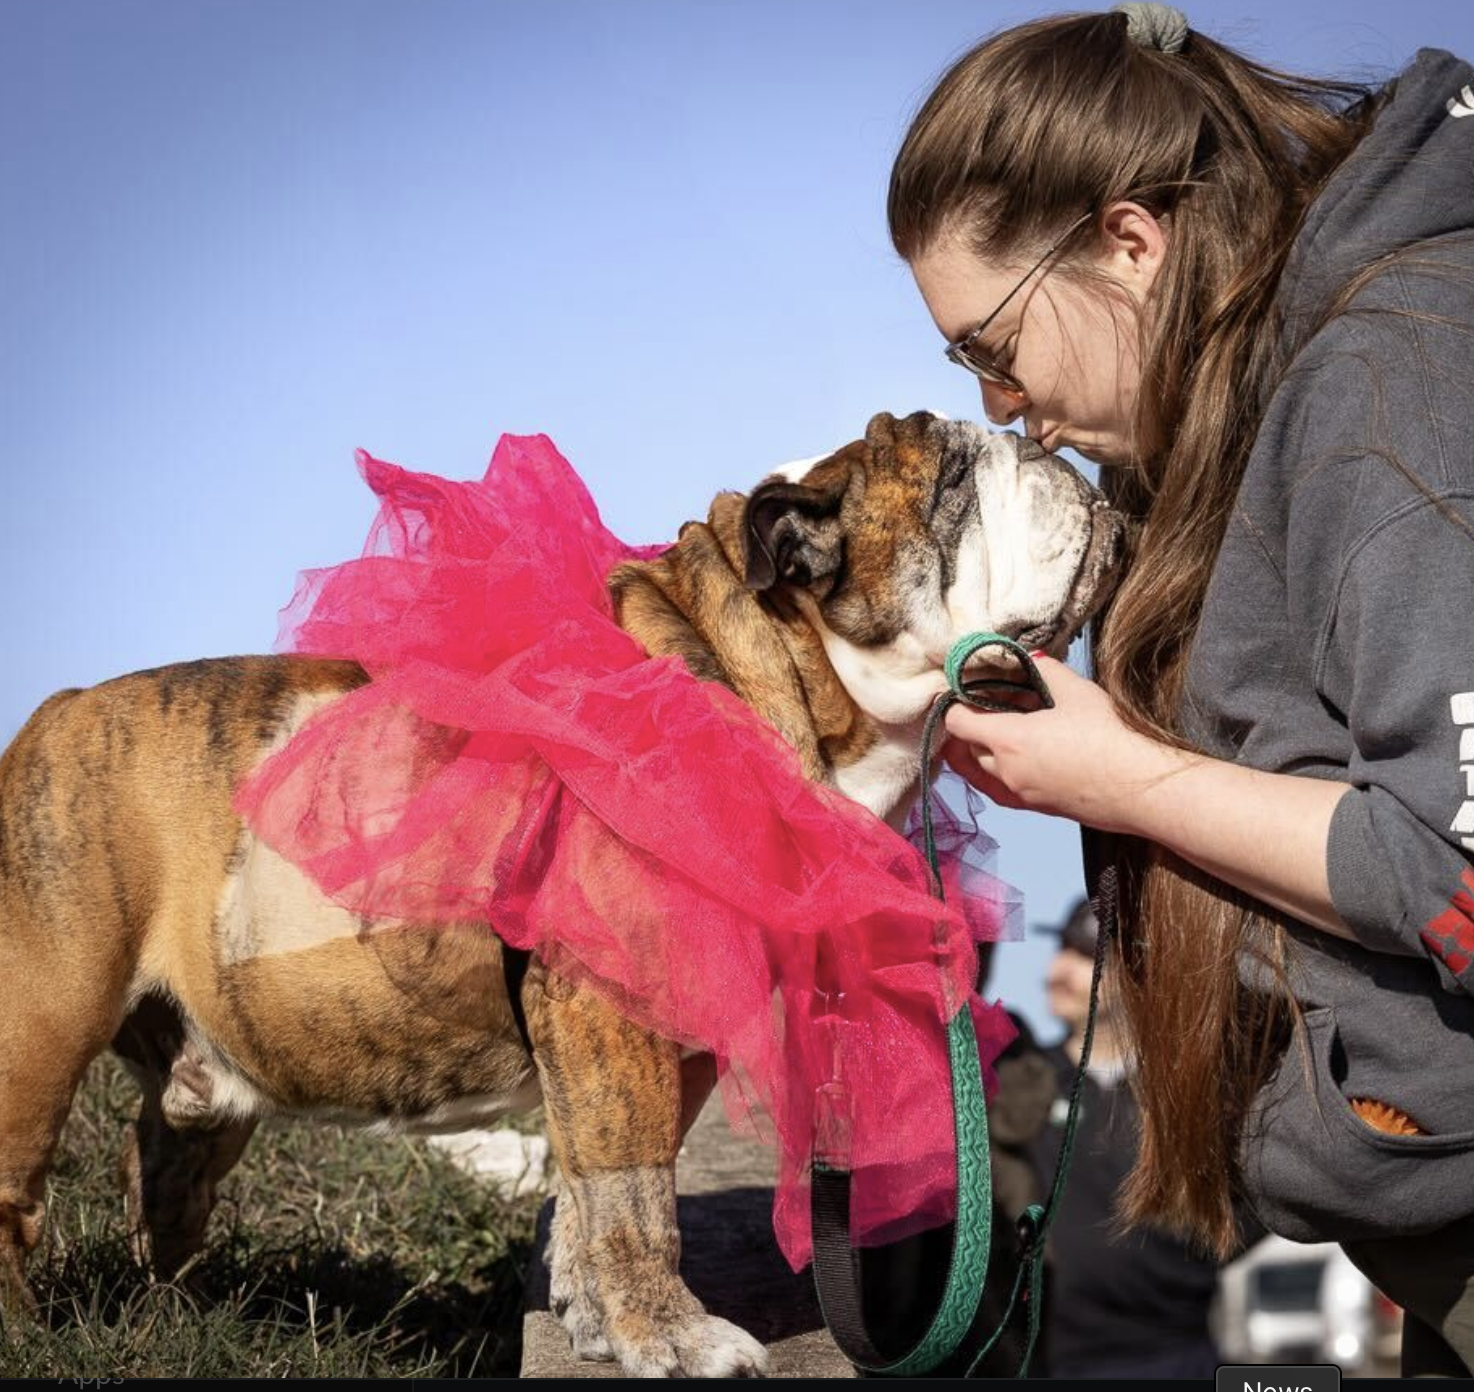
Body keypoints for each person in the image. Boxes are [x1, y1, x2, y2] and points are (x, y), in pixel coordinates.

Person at [887, 3, 1474, 1376]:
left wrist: (1126, 781)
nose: (999, 404)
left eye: (989, 344)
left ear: (1129, 243)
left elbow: (1452, 864)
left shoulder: (1393, 381)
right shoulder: (1268, 391)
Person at [1024, 897, 1240, 1379]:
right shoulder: (1025, 1079)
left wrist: (1197, 1259)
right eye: (1061, 949)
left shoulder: (1186, 1092)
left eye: (1086, 955)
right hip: (1053, 1361)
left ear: (1140, 974)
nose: (1059, 971)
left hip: (1180, 1356)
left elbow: (1255, 1202)